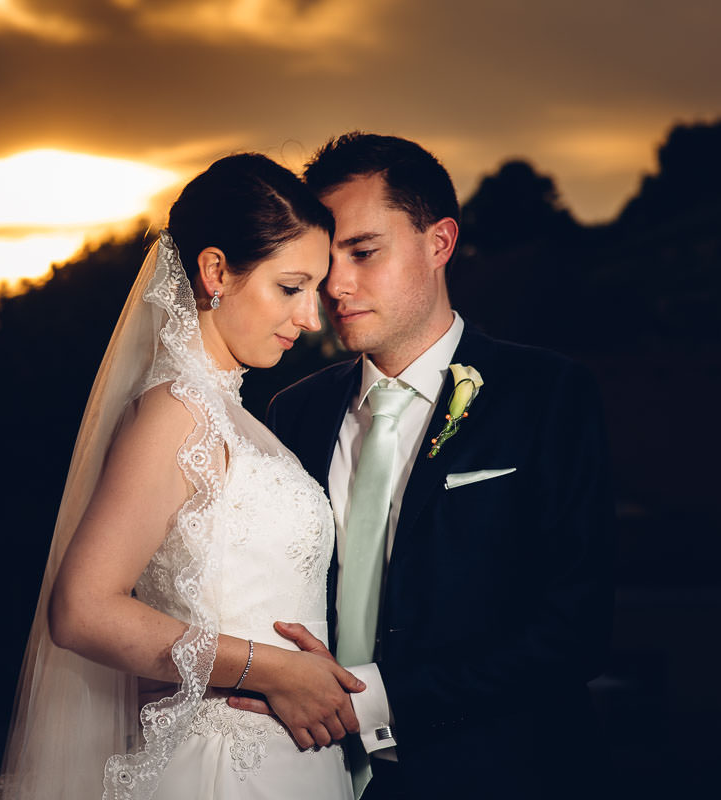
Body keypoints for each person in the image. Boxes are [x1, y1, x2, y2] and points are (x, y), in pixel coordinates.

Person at [229, 133, 615, 800]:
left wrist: (370, 698)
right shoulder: (292, 411)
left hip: (498, 778)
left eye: (363, 252)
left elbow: (574, 631)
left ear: (439, 243)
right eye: (325, 261)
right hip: (305, 773)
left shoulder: (548, 395)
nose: (336, 286)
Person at [0, 153, 366, 800]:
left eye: (315, 290)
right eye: (290, 287)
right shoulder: (174, 412)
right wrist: (275, 671)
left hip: (289, 767)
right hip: (219, 773)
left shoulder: (234, 415)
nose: (312, 318)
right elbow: (82, 610)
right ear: (216, 270)